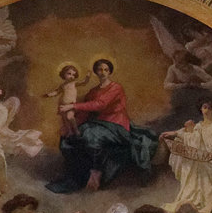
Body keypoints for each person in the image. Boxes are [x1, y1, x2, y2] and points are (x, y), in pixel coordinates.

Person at [48, 58, 158, 194]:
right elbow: (84, 112)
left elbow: (101, 104)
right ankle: (76, 176)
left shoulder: (116, 88)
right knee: (69, 138)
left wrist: (72, 105)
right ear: (96, 72)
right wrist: (72, 124)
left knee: (91, 135)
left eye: (106, 69)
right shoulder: (93, 91)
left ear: (110, 71)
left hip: (116, 126)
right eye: (100, 69)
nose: (103, 72)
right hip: (98, 124)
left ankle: (96, 172)